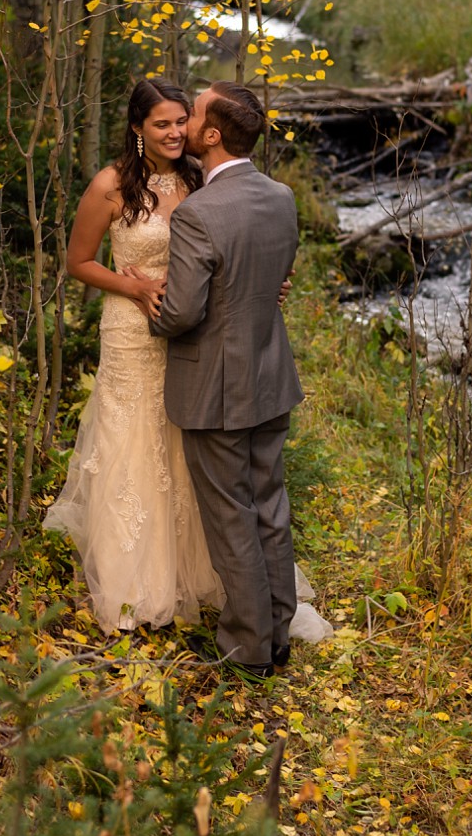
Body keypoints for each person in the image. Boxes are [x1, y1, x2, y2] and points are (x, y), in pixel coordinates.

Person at [42, 79, 224, 632]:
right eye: (161, 124)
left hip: (191, 329)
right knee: (134, 439)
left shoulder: (199, 178)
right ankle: (133, 586)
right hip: (130, 331)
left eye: (179, 122)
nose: (173, 133)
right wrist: (135, 289)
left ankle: (195, 576)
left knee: (180, 439)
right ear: (138, 129)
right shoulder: (112, 184)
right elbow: (79, 262)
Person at [148, 82, 304, 681]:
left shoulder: (199, 213)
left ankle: (247, 648)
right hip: (269, 375)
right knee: (269, 504)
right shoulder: (281, 197)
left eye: (196, 113)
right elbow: (269, 278)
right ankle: (278, 630)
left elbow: (182, 312)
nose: (184, 119)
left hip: (214, 387)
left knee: (231, 514)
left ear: (211, 136)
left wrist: (147, 306)